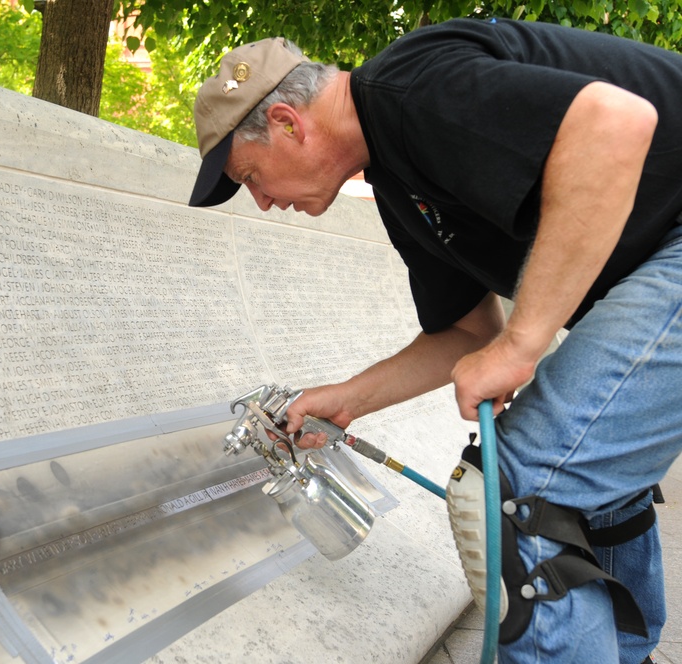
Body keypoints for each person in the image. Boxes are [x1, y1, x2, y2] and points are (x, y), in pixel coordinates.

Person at [188, 19, 682, 664]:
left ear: (287, 122)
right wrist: (349, 398)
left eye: (250, 176)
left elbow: (614, 123)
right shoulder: (401, 183)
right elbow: (469, 333)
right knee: (587, 478)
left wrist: (524, 344)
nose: (259, 201)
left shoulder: (411, 89)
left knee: (520, 482)